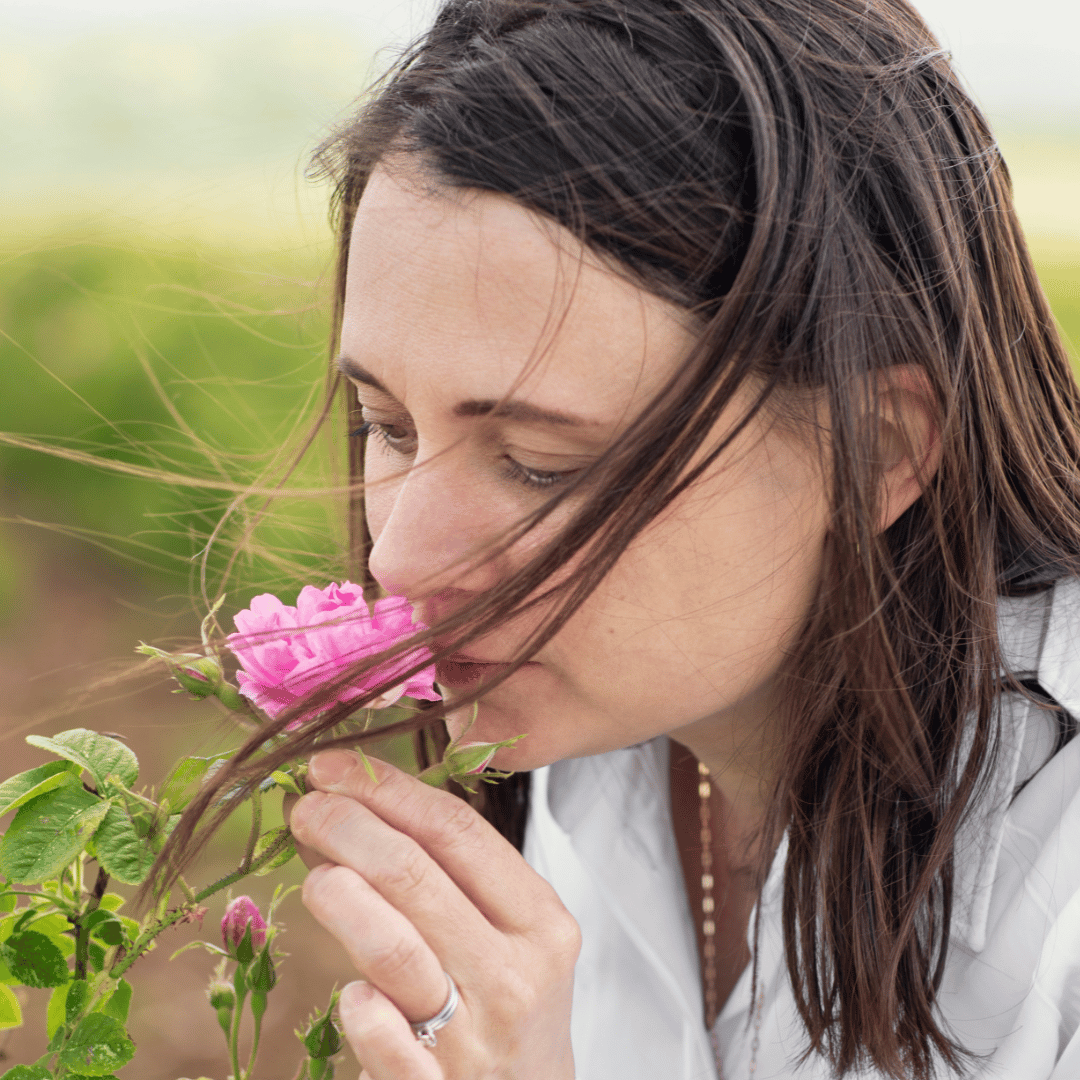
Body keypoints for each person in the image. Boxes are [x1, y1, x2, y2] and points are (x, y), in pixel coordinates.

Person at [160, 0, 1080, 1077]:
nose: (396, 563)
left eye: (540, 463)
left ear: (872, 452)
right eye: (387, 427)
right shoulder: (596, 750)